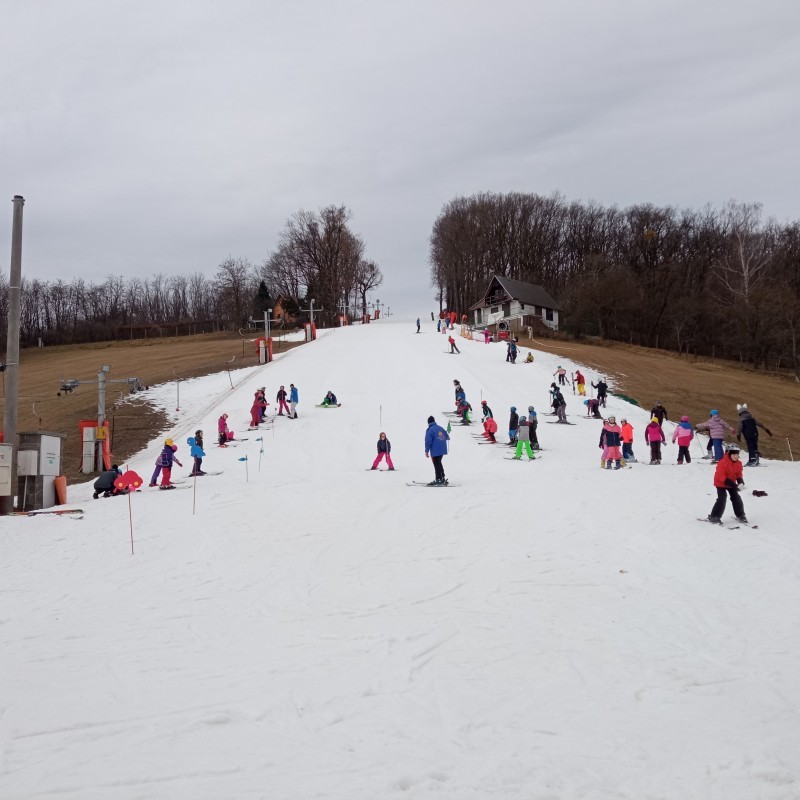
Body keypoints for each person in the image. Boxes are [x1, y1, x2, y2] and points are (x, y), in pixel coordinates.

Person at [707, 443, 747, 524]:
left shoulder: (738, 463)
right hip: (720, 483)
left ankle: (740, 515)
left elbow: (738, 473)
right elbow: (721, 476)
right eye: (733, 454)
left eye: (737, 454)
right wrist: (733, 485)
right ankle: (714, 516)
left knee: (736, 497)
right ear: (728, 453)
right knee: (722, 497)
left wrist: (740, 481)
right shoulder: (722, 462)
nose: (736, 456)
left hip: (731, 482)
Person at [424, 415, 450, 485]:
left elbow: (428, 441)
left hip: (435, 450)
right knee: (439, 462)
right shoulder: (440, 428)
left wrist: (426, 451)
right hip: (442, 449)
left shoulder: (430, 430)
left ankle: (438, 479)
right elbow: (447, 436)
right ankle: (442, 477)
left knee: (436, 463)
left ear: (428, 422)